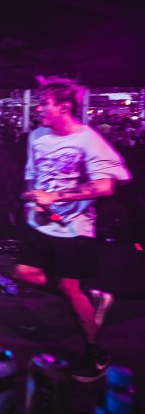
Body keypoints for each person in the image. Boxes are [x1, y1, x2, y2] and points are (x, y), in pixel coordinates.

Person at [16, 75, 131, 382]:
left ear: (64, 107)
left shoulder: (87, 139)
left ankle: (96, 354)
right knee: (24, 273)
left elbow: (105, 186)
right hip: (40, 222)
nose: (38, 109)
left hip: (73, 228)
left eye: (44, 104)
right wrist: (32, 197)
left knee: (69, 288)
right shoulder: (37, 135)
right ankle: (90, 299)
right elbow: (32, 172)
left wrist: (56, 198)